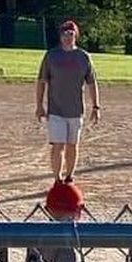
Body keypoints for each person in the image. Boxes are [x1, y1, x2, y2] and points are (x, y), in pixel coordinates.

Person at [35, 20, 100, 184]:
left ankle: (69, 176)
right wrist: (39, 105)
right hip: (56, 109)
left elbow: (91, 82)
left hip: (76, 110)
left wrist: (96, 106)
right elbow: (42, 81)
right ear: (60, 36)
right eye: (64, 33)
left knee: (72, 145)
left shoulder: (83, 57)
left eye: (71, 33)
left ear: (75, 35)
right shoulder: (52, 56)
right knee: (58, 145)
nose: (67, 37)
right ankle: (57, 178)